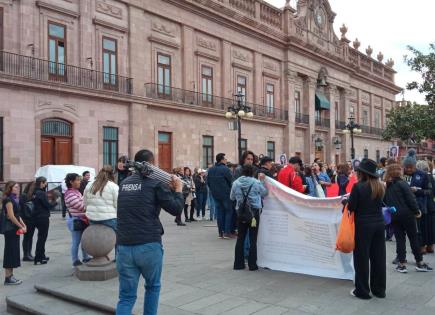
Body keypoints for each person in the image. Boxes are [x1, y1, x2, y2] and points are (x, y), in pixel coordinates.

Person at [116, 149, 184, 315]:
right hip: (148, 244)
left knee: (126, 297)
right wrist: (178, 190)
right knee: (152, 287)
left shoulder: (124, 183)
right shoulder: (155, 183)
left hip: (124, 246)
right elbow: (176, 209)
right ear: (151, 164)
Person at [347, 159, 386, 300]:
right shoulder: (380, 186)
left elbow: (352, 207)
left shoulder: (358, 187)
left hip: (363, 226)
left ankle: (362, 291)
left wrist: (346, 201)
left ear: (362, 173)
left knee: (362, 258)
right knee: (379, 258)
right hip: (379, 224)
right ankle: (379, 290)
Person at [384, 163, 432, 273]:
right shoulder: (403, 183)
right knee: (413, 238)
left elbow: (386, 201)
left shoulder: (388, 185)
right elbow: (411, 199)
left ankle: (401, 264)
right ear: (399, 172)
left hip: (395, 215)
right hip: (407, 215)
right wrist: (416, 211)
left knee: (400, 240)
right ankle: (419, 262)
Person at [231, 165, 267, 271]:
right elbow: (265, 192)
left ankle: (238, 264)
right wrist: (262, 181)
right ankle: (252, 265)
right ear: (252, 172)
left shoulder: (236, 183)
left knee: (240, 238)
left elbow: (231, 197)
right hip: (254, 213)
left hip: (241, 213)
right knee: (253, 239)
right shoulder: (256, 182)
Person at [83, 165, 119, 257]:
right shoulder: (114, 186)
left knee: (97, 238)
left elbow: (85, 202)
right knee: (118, 239)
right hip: (109, 218)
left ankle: (99, 256)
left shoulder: (90, 185)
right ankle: (117, 258)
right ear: (112, 175)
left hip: (92, 218)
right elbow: (117, 205)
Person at [403, 149, 431, 254]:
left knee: (420, 229)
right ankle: (415, 248)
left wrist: (417, 191)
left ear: (415, 166)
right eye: (407, 167)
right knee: (411, 230)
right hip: (405, 207)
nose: (409, 169)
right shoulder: (402, 175)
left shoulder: (423, 175)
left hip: (419, 206)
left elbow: (428, 191)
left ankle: (421, 247)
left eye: (411, 167)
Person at [64, 173, 92, 267]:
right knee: (76, 241)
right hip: (76, 220)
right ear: (71, 182)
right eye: (77, 180)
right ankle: (75, 260)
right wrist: (90, 205)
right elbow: (81, 207)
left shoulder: (76, 192)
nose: (79, 182)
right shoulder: (70, 194)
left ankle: (85, 257)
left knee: (84, 240)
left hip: (81, 219)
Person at [2, 182, 27, 285]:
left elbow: (17, 215)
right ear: (10, 188)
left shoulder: (15, 199)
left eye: (18, 187)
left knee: (14, 252)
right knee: (10, 252)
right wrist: (21, 226)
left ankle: (11, 276)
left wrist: (23, 224)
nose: (18, 188)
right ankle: (8, 277)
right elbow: (11, 216)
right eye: (16, 187)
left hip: (14, 229)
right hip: (10, 230)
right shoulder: (8, 200)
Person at [32, 176, 59, 265]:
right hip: (42, 217)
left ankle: (42, 255)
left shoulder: (35, 192)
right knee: (42, 238)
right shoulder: (41, 193)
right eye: (45, 182)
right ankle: (38, 257)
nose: (46, 184)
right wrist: (56, 202)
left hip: (36, 217)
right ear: (41, 183)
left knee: (41, 237)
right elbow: (48, 205)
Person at [207, 153, 235, 239]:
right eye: (225, 159)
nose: (226, 160)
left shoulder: (211, 169)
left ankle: (220, 232)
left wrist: (213, 190)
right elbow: (231, 181)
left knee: (219, 212)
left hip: (215, 194)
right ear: (222, 160)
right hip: (226, 194)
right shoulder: (225, 169)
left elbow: (208, 182)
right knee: (228, 211)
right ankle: (227, 232)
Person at [416, 160, 434, 253]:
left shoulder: (421, 177)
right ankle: (430, 247)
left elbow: (422, 191)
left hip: (423, 205)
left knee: (422, 227)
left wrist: (416, 191)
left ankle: (422, 247)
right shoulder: (431, 177)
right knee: (430, 227)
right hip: (431, 205)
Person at [20, 182, 36, 262]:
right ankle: (26, 255)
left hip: (32, 218)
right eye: (33, 186)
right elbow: (22, 208)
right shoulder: (23, 196)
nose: (34, 188)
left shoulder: (33, 196)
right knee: (27, 237)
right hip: (26, 219)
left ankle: (29, 253)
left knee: (30, 237)